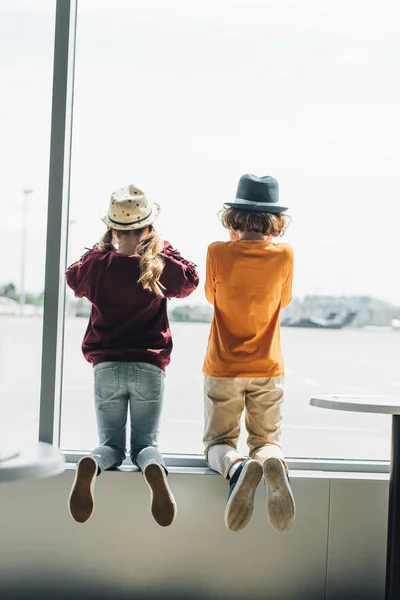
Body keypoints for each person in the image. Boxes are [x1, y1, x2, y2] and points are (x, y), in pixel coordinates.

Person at [66, 184, 199, 527]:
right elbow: (191, 279)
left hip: (106, 368)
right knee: (144, 444)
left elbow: (72, 276)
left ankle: (93, 463)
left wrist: (100, 246)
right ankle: (152, 465)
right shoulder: (157, 264)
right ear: (148, 228)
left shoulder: (98, 264)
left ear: (111, 228)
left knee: (110, 444)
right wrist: (163, 247)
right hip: (148, 367)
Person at [203, 174, 295, 533]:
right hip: (268, 366)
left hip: (223, 365)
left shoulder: (216, 251)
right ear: (275, 221)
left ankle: (237, 468)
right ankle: (269, 460)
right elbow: (283, 301)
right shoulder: (285, 254)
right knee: (267, 440)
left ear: (234, 217)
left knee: (218, 443)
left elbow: (212, 297)